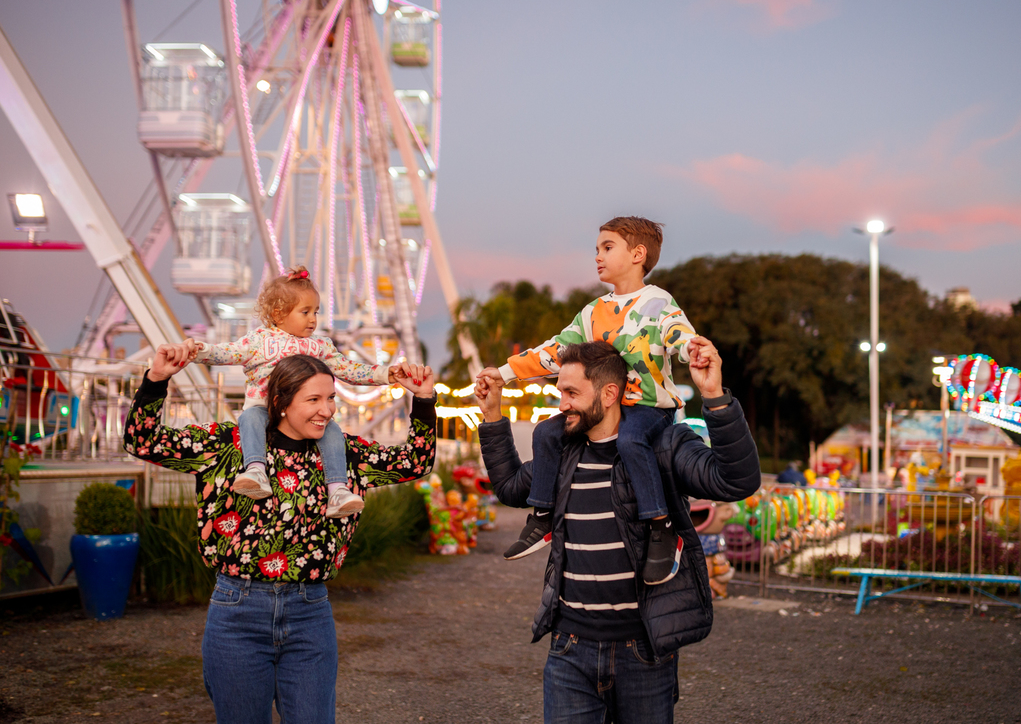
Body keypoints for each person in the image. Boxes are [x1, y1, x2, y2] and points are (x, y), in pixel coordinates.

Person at [124, 347, 437, 724]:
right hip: (237, 612)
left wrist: (422, 399)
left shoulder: (344, 455)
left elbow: (414, 462)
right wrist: (156, 380)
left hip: (310, 614)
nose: (328, 409)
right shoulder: (228, 446)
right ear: (280, 402)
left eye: (332, 398)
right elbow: (142, 441)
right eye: (314, 399)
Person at [476, 338, 759, 723]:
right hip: (568, 650)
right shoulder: (560, 452)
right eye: (561, 392)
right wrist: (492, 414)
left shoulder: (664, 447)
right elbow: (509, 487)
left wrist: (714, 396)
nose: (562, 405)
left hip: (643, 650)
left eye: (572, 393)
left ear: (609, 393)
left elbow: (736, 481)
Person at [477, 216, 700, 584]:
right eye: (596, 249)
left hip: (647, 409)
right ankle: (543, 517)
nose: (597, 255)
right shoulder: (592, 313)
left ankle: (661, 526)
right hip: (602, 410)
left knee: (631, 443)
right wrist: (502, 373)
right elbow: (554, 351)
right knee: (546, 433)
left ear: (638, 254)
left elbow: (678, 332)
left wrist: (693, 351)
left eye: (607, 248)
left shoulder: (657, 302)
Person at [184, 267, 409, 518]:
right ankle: (256, 469)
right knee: (249, 419)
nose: (313, 319)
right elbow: (228, 353)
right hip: (264, 406)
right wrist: (200, 351)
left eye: (316, 312)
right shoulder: (259, 341)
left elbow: (348, 370)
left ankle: (337, 489)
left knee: (332, 430)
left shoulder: (320, 345)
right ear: (278, 314)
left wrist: (385, 375)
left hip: (302, 414)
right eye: (305, 312)